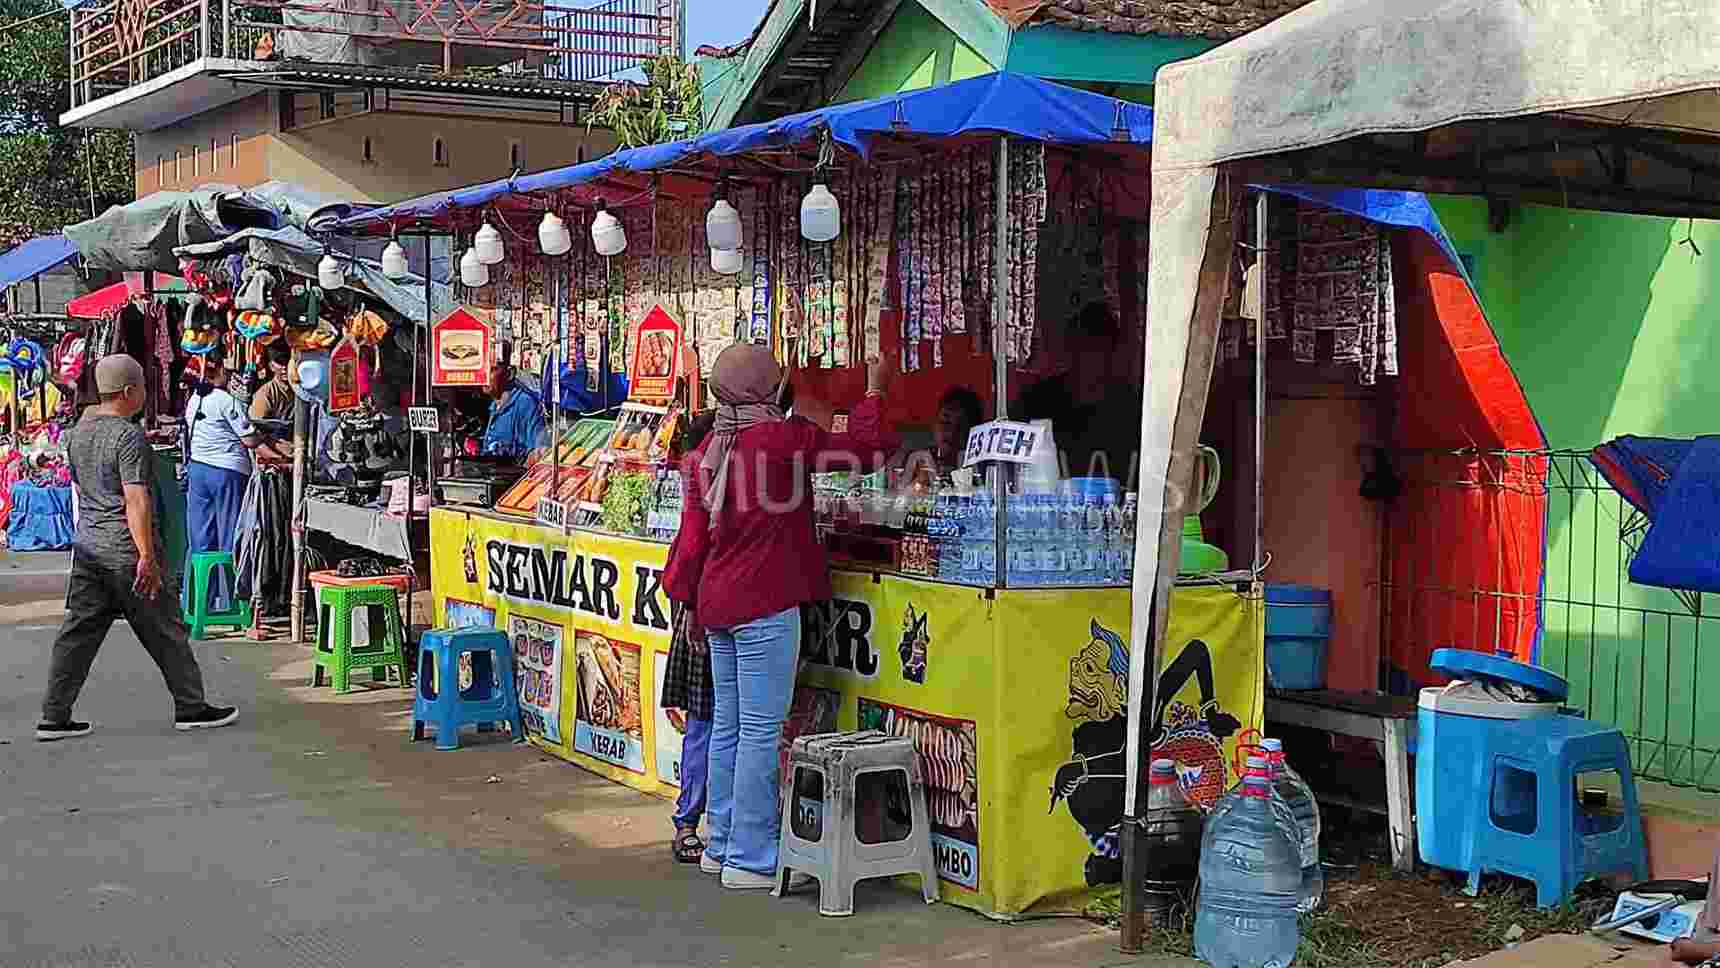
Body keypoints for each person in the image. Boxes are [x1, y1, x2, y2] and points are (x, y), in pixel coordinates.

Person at [665, 345, 896, 889]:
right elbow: (866, 452)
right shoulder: (784, 439)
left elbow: (692, 543)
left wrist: (692, 608)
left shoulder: (704, 452)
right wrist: (875, 390)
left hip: (717, 605)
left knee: (729, 727)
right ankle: (750, 855)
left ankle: (721, 845)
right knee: (760, 732)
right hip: (765, 603)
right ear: (766, 387)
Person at [37, 354, 238, 740]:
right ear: (129, 392)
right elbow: (137, 500)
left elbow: (84, 490)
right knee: (165, 629)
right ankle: (191, 706)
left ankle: (54, 715)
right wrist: (147, 555)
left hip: (90, 548)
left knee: (77, 633)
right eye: (144, 386)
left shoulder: (77, 434)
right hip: (127, 550)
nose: (146, 393)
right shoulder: (127, 436)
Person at [183, 349, 264, 613]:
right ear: (216, 370)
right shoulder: (224, 400)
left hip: (198, 470)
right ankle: (231, 603)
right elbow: (249, 439)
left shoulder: (193, 400)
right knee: (231, 536)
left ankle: (198, 603)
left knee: (200, 539)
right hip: (226, 472)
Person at [891, 385, 984, 485]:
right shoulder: (917, 460)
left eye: (960, 426)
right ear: (934, 424)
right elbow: (900, 495)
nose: (952, 432)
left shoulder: (978, 466)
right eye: (945, 423)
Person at [481, 361, 546, 459]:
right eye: (482, 369)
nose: (484, 376)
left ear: (509, 374)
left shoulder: (525, 404)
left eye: (492, 370)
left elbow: (537, 453)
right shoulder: (494, 405)